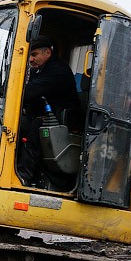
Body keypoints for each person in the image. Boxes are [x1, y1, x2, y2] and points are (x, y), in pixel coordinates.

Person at [16, 35, 81, 186]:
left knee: (35, 127)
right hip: (45, 114)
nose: (31, 59)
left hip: (63, 118)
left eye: (34, 54)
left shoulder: (57, 69)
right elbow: (31, 99)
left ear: (48, 53)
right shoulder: (36, 71)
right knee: (18, 123)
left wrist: (10, 93)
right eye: (29, 55)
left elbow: (33, 91)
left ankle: (25, 175)